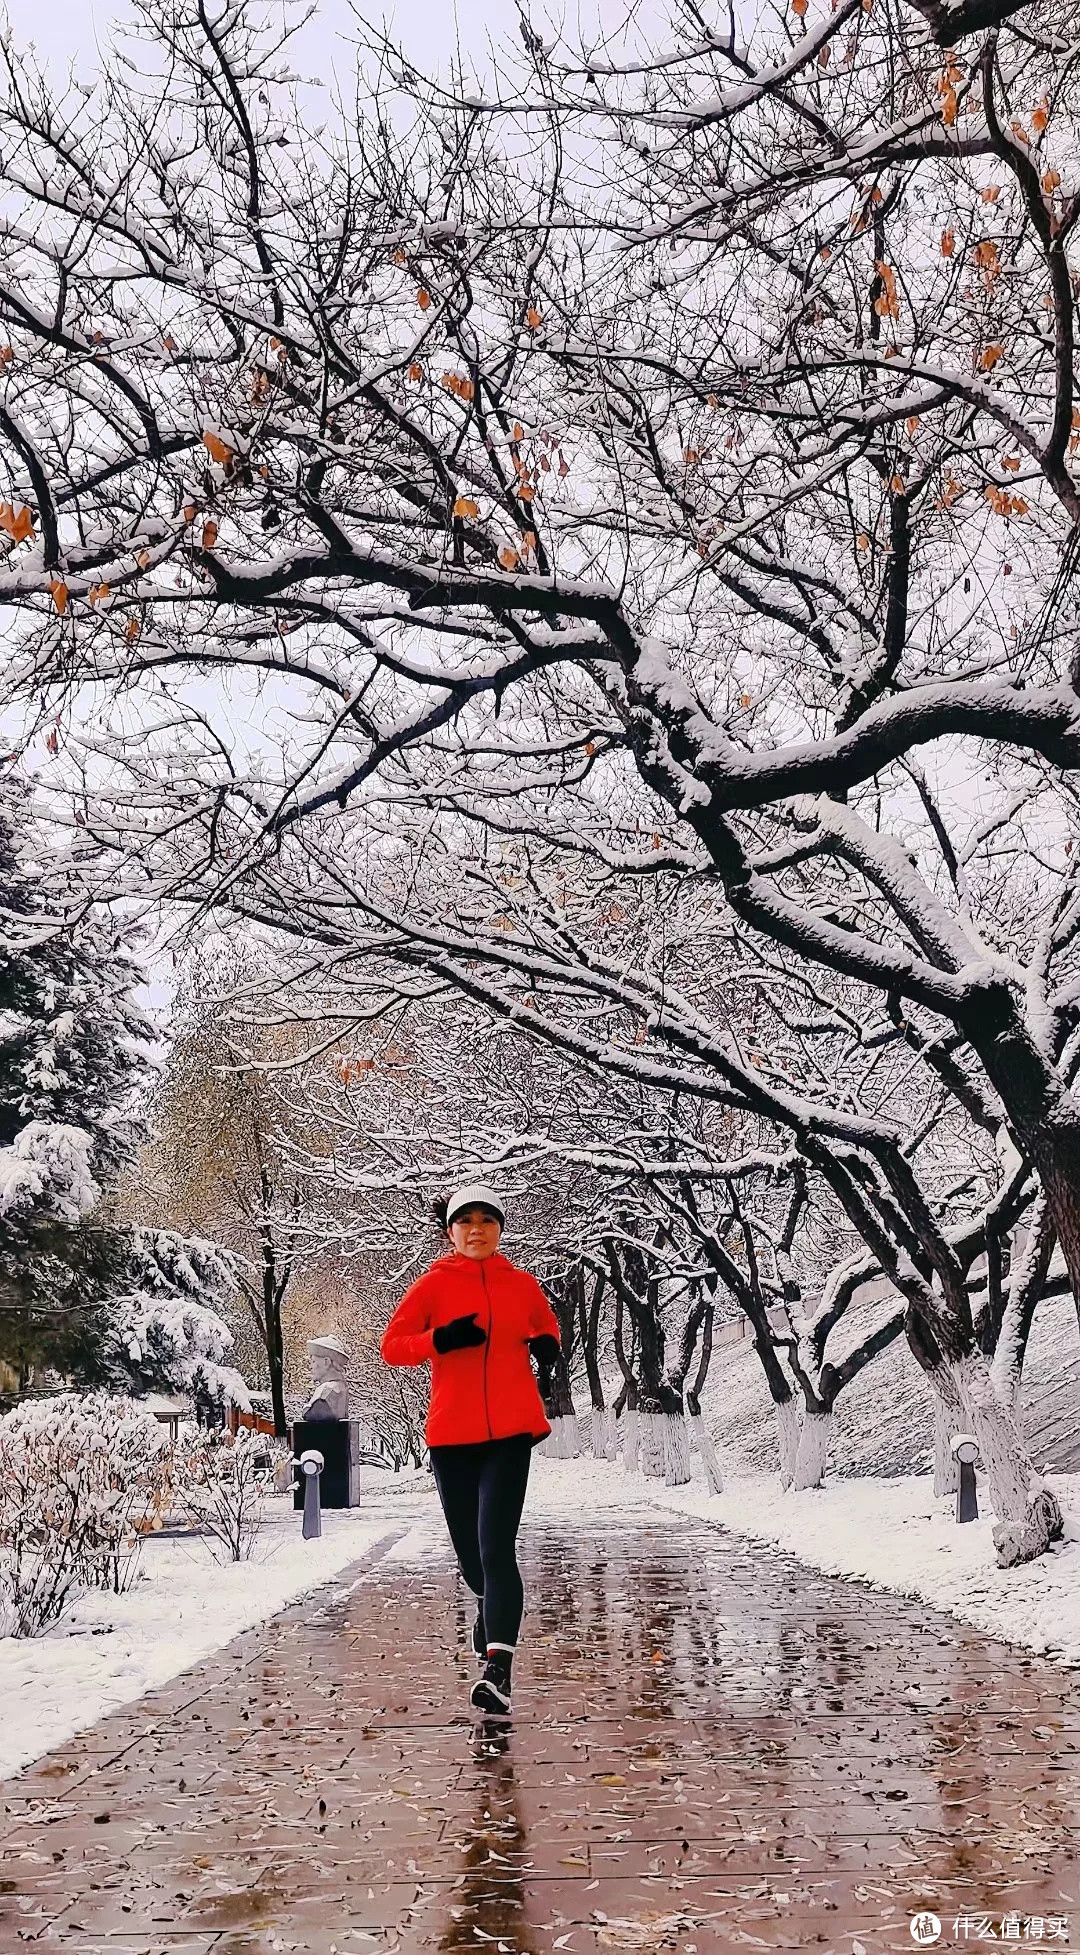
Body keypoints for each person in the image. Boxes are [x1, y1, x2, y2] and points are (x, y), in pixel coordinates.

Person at [380, 1183, 561, 1716]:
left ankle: (498, 1669)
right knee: (472, 1560)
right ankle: (490, 1613)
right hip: (452, 1437)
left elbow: (543, 1323)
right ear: (450, 1231)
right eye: (466, 1221)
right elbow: (393, 1347)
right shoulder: (432, 1286)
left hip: (510, 1432)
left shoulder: (520, 1284)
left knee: (496, 1547)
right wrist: (439, 1340)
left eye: (487, 1220)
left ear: (500, 1229)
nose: (476, 1229)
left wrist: (548, 1343)